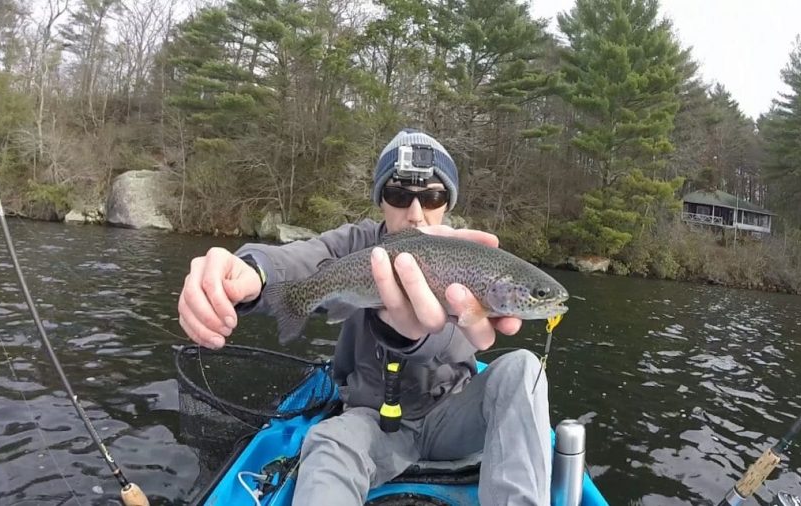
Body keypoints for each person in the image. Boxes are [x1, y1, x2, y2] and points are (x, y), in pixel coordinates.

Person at [177, 129, 551, 505]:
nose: (416, 212)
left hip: (453, 417)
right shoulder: (356, 245)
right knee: (326, 443)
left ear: (447, 203)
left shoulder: (470, 254)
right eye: (399, 195)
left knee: (524, 368)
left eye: (433, 196)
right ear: (381, 199)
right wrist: (253, 273)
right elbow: (304, 258)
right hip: (372, 425)